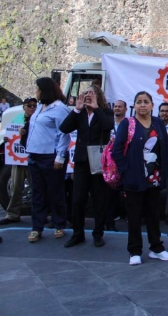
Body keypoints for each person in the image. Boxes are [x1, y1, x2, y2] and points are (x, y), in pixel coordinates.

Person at [112, 91, 168, 265]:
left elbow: (164, 148)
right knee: (134, 216)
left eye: (146, 102)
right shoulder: (127, 123)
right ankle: (134, 251)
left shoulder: (158, 123)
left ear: (152, 105)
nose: (142, 105)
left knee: (154, 215)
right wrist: (126, 172)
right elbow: (117, 151)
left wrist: (164, 170)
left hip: (154, 178)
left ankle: (157, 248)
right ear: (134, 106)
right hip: (134, 179)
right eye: (138, 102)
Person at [60, 85, 114, 248]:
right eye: (85, 93)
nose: (88, 95)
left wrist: (96, 108)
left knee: (99, 200)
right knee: (77, 200)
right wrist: (76, 110)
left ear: (98, 96)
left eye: (91, 93)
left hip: (98, 161)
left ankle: (98, 234)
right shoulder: (80, 114)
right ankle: (78, 234)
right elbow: (64, 128)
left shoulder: (105, 112)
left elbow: (108, 126)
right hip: (82, 161)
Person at [25, 78, 71, 243]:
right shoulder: (39, 108)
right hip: (34, 155)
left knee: (55, 191)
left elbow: (63, 134)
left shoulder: (60, 109)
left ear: (44, 90)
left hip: (50, 156)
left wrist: (60, 156)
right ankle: (37, 227)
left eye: (37, 89)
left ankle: (59, 223)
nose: (35, 92)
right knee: (37, 193)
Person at [0, 98, 37, 225]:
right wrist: (6, 139)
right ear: (24, 107)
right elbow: (11, 134)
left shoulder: (39, 118)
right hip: (18, 160)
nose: (32, 107)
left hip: (33, 160)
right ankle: (12, 214)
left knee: (37, 188)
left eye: (34, 105)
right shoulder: (17, 119)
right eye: (29, 105)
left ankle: (39, 215)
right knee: (15, 187)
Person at [105, 100, 128, 230]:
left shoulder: (129, 124)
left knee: (126, 190)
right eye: (116, 106)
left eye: (120, 107)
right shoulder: (108, 123)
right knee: (111, 191)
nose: (117, 109)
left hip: (124, 161)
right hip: (110, 164)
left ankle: (126, 214)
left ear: (126, 109)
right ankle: (111, 217)